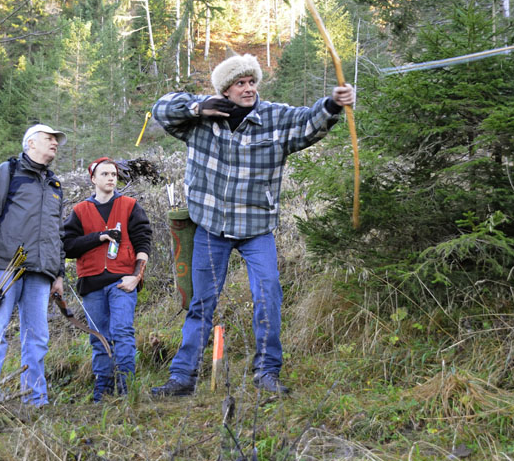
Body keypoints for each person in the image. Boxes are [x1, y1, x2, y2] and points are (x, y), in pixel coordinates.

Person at [150, 53, 356, 396]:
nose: (248, 89)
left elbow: (309, 122)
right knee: (201, 304)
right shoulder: (201, 116)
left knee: (268, 296)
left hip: (257, 228)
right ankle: (182, 378)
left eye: (251, 82)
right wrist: (199, 108)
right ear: (225, 90)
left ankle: (267, 374)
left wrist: (333, 105)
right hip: (210, 228)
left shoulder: (274, 117)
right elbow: (161, 109)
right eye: (239, 84)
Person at [0, 124, 67, 407]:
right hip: (6, 265)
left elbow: (57, 233)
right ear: (30, 143)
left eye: (56, 140)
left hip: (41, 272)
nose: (54, 144)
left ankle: (35, 400)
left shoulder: (54, 184)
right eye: (49, 139)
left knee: (38, 336)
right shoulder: (9, 171)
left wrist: (59, 274)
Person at [63, 157, 152, 400]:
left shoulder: (130, 205)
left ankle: (126, 388)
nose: (111, 178)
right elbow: (68, 247)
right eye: (105, 174)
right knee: (99, 337)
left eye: (113, 174)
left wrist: (136, 276)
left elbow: (144, 241)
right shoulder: (80, 211)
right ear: (93, 179)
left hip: (123, 281)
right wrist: (99, 237)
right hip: (91, 284)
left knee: (122, 332)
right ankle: (103, 389)